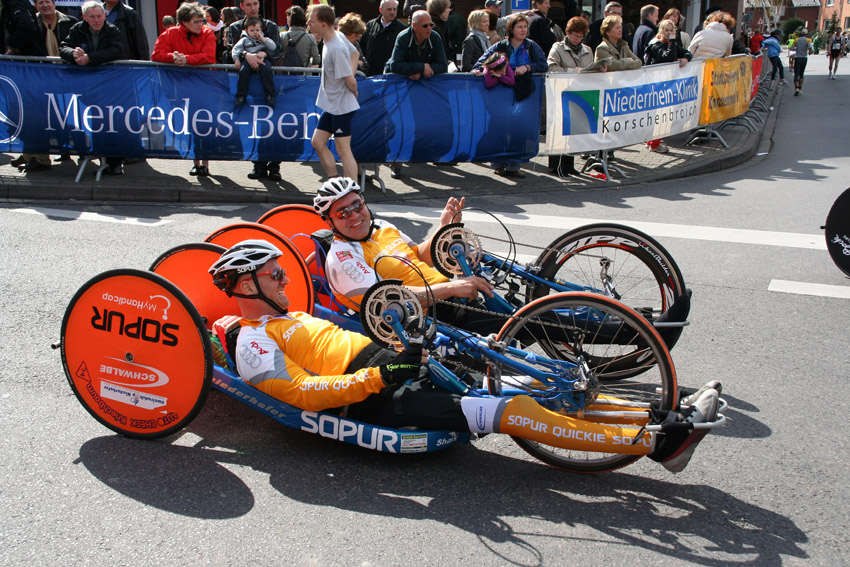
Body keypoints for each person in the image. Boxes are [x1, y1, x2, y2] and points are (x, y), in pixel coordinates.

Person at [209, 238, 723, 474]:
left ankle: (660, 418)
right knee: (503, 410)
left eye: (280, 271)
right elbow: (299, 393)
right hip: (373, 400)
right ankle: (658, 444)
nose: (283, 278)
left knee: (523, 386)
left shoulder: (288, 318)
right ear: (245, 284)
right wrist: (377, 376)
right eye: (274, 274)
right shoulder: (252, 338)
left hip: (391, 365)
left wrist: (401, 345)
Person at [472, 14, 546, 178]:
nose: (523, 30)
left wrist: (527, 67)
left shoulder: (531, 46)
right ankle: (498, 163)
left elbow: (543, 64)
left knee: (517, 129)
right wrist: (478, 70)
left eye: (525, 27)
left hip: (522, 94)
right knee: (498, 128)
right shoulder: (500, 46)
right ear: (511, 29)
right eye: (519, 27)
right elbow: (482, 62)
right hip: (499, 94)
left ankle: (514, 165)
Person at [10, 0, 77, 173]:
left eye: (47, 1)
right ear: (36, 5)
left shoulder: (69, 21)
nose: (45, 5)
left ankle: (68, 150)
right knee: (39, 116)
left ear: (54, 3)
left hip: (66, 75)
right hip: (41, 76)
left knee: (66, 114)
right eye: (40, 2)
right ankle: (33, 155)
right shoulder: (33, 21)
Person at [151, 2, 216, 177]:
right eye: (196, 21)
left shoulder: (207, 33)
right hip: (180, 87)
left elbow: (209, 56)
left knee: (204, 124)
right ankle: (196, 162)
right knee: (190, 125)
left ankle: (206, 163)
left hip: (204, 86)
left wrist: (187, 59)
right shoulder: (171, 33)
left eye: (201, 20)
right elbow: (156, 54)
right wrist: (173, 57)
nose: (200, 24)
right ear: (184, 22)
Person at [59, 1, 124, 175]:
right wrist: (73, 54)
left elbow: (117, 50)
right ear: (85, 18)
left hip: (109, 85)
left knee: (112, 122)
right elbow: (63, 47)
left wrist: (90, 58)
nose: (96, 20)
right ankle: (95, 154)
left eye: (99, 16)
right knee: (93, 120)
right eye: (92, 17)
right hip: (85, 85)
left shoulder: (113, 30)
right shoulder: (77, 29)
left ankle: (115, 162)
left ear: (104, 16)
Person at [224, 0, 283, 182]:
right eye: (249, 4)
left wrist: (263, 54)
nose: (253, 8)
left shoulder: (270, 26)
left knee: (272, 126)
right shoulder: (234, 28)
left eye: (256, 3)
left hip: (268, 82)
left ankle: (274, 166)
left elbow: (279, 50)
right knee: (254, 126)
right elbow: (228, 53)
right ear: (242, 6)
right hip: (247, 84)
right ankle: (258, 165)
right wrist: (245, 56)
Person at [309, 4, 360, 181]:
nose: (308, 23)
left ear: (323, 24)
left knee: (343, 149)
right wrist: (351, 79)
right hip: (332, 105)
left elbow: (351, 80)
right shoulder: (334, 37)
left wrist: (353, 89)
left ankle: (352, 192)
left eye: (312, 20)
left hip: (342, 106)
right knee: (317, 142)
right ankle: (334, 182)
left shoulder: (336, 48)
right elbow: (355, 54)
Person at [546, 16, 598, 176]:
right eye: (575, 35)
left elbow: (591, 68)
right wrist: (570, 72)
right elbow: (551, 66)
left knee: (572, 131)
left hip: (578, 95)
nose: (578, 39)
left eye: (581, 36)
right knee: (559, 129)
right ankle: (556, 166)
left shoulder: (587, 50)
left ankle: (569, 165)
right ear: (568, 33)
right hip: (560, 93)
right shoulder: (558, 48)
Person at [643, 19, 691, 154]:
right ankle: (653, 143)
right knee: (659, 115)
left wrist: (685, 58)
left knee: (663, 115)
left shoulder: (668, 44)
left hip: (667, 85)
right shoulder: (656, 44)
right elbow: (668, 57)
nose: (669, 33)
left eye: (671, 30)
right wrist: (673, 41)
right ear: (661, 30)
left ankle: (653, 142)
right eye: (666, 30)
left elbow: (687, 52)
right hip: (656, 84)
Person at [232, 16, 277, 107]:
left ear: (261, 30)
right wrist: (236, 60)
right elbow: (235, 49)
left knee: (267, 70)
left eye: (257, 30)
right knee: (243, 71)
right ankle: (241, 95)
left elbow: (273, 47)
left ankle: (270, 94)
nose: (255, 33)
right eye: (252, 30)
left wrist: (263, 39)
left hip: (262, 60)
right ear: (247, 31)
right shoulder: (244, 40)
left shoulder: (264, 39)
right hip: (248, 60)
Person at [358, 0, 406, 77]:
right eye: (389, 9)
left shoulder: (402, 29)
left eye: (394, 9)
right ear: (381, 10)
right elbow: (362, 47)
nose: (392, 12)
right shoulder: (370, 25)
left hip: (390, 75)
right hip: (370, 74)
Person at [279, 6, 320, 70]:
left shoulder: (281, 36)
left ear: (290, 19)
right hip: (304, 75)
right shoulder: (310, 38)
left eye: (287, 17)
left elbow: (277, 56)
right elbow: (316, 59)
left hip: (285, 75)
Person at [792, 28, 811, 96]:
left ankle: (796, 88)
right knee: (801, 74)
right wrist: (809, 51)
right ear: (806, 34)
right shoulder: (808, 40)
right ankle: (800, 88)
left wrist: (797, 49)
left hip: (798, 57)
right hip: (804, 57)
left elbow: (792, 48)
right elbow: (811, 48)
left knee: (796, 73)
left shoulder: (796, 40)